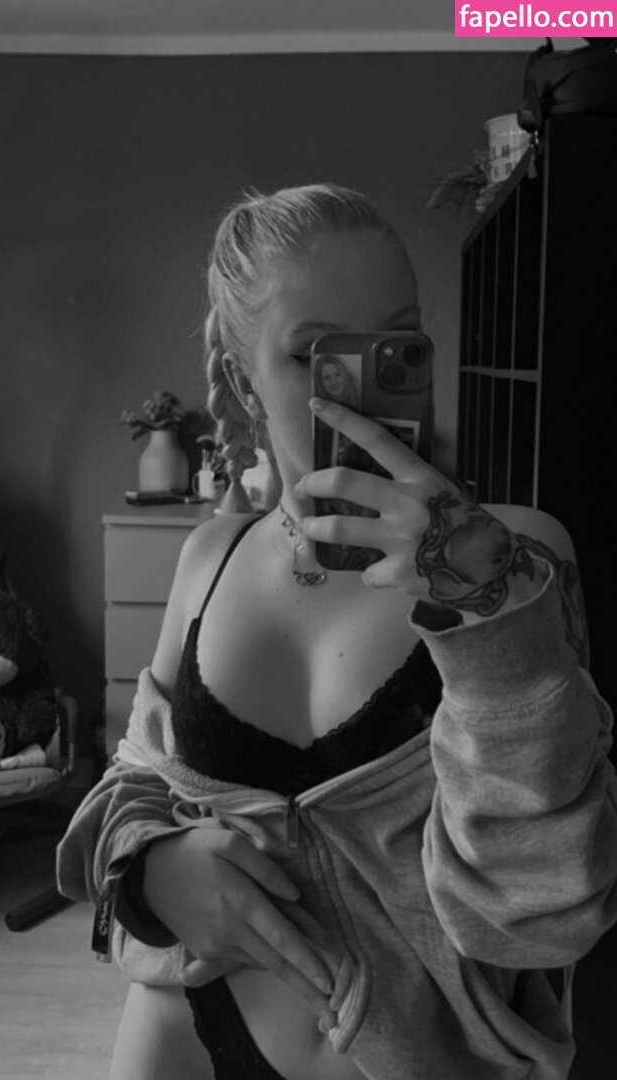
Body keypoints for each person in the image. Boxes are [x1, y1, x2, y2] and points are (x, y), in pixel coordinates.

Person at [57, 183, 617, 1080]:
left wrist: (484, 617)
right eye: (316, 355)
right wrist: (151, 866)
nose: (363, 395)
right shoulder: (208, 558)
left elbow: (542, 916)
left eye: (398, 346)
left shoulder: (520, 560)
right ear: (244, 379)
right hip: (182, 1042)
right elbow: (134, 776)